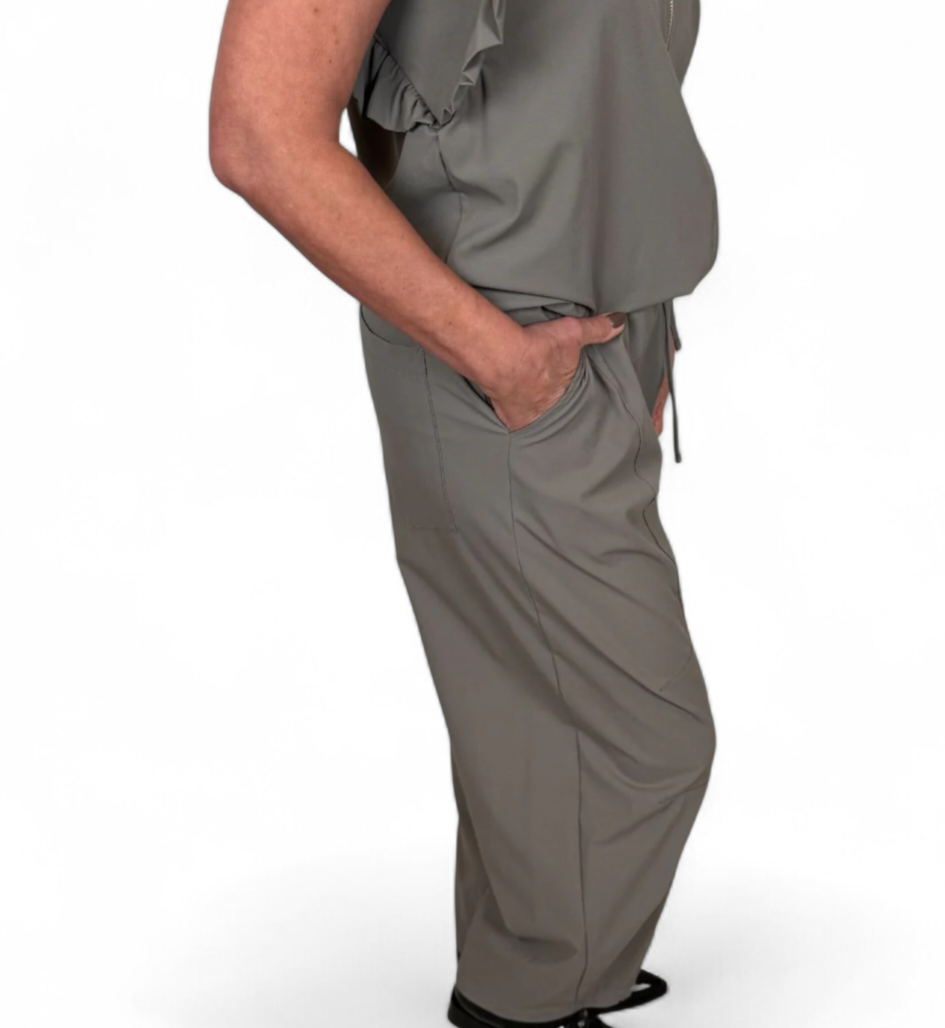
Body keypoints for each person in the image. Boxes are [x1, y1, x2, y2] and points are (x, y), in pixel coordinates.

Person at [210, 1, 719, 1025]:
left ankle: (536, 968)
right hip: (498, 346)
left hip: (595, 330)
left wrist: (642, 308)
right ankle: (529, 1000)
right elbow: (258, 135)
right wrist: (502, 360)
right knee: (641, 737)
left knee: (534, 711)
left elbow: (601, 89)